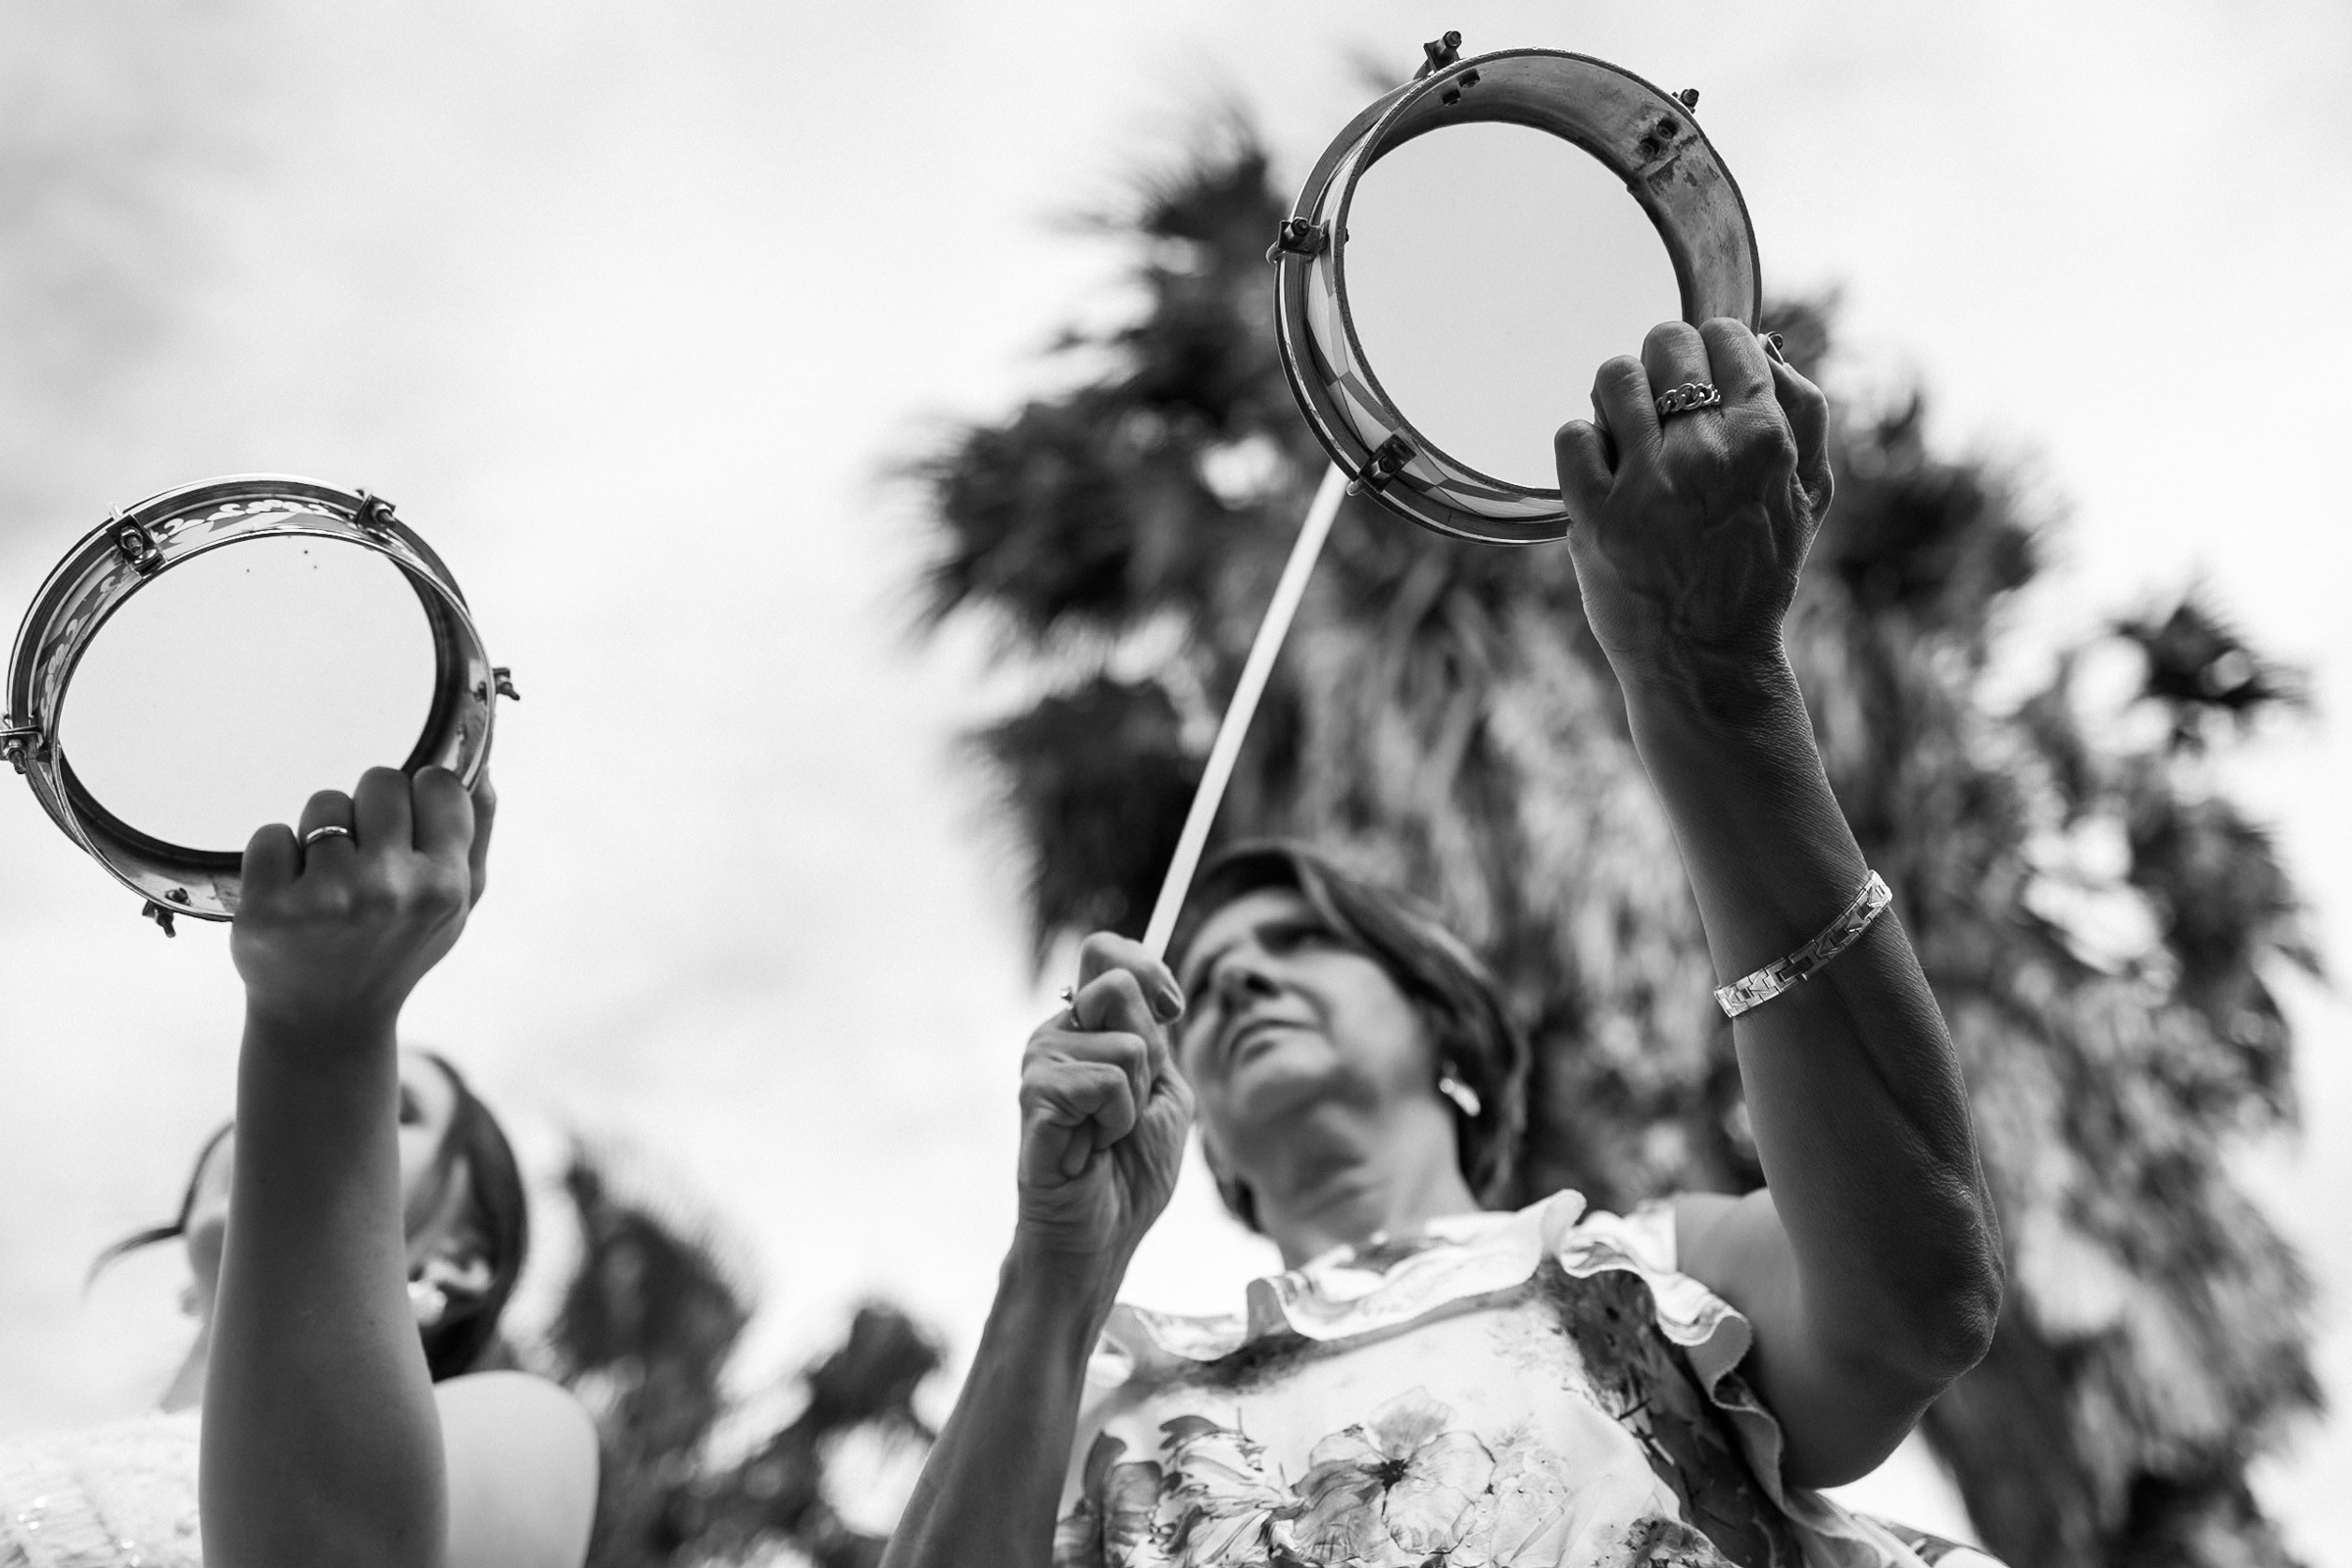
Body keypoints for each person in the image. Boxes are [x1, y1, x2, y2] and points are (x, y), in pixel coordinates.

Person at [882, 321, 2010, 1567]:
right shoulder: (1105, 1412)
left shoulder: (1643, 1271)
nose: (1243, 974)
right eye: (1197, 989)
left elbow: (1916, 1308)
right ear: (1217, 1156)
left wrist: (1712, 681)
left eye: (1307, 942)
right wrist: (1054, 1273)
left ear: (1452, 1041)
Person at [0, 768, 598, 1568]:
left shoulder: (524, 1430)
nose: (284, 1133)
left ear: (462, 1256)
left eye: (393, 1107)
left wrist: (327, 1036)